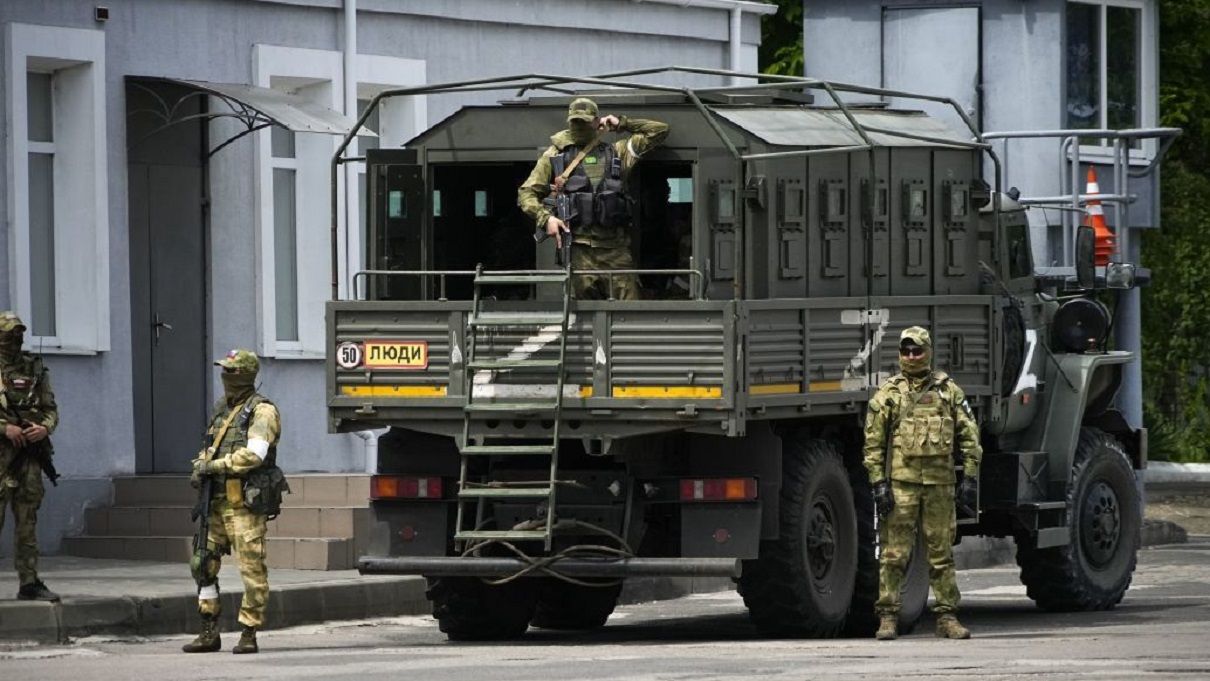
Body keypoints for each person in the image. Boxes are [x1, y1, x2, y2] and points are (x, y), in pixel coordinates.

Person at [862, 326, 982, 640]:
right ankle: (888, 616)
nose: (912, 356)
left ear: (928, 352)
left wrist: (970, 476)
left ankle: (947, 617)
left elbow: (969, 436)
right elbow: (873, 445)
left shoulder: (948, 391)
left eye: (917, 350)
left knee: (941, 553)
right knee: (894, 554)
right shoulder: (889, 393)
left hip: (939, 485)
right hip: (902, 485)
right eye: (906, 351)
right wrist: (878, 484)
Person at [518, 97, 669, 300]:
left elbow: (659, 131)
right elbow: (526, 193)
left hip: (615, 251)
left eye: (585, 121)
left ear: (597, 121)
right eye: (575, 121)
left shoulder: (617, 152)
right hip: (579, 251)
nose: (579, 126)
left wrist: (622, 123)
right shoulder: (555, 155)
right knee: (583, 314)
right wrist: (546, 219)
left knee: (629, 311)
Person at [183, 349, 281, 654]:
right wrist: (200, 464)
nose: (225, 377)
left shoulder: (262, 412)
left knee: (252, 570)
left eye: (232, 372)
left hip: (244, 505)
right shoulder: (222, 408)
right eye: (224, 371)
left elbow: (255, 454)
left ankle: (249, 631)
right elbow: (210, 446)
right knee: (202, 564)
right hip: (214, 501)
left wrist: (215, 466)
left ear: (247, 375)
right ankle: (208, 629)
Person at [0, 311, 59, 602]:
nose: (16, 339)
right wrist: (5, 428)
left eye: (19, 333)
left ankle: (29, 582)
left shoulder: (34, 368)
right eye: (9, 334)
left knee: (27, 521)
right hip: (2, 457)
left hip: (29, 458)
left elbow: (51, 409)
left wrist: (43, 428)